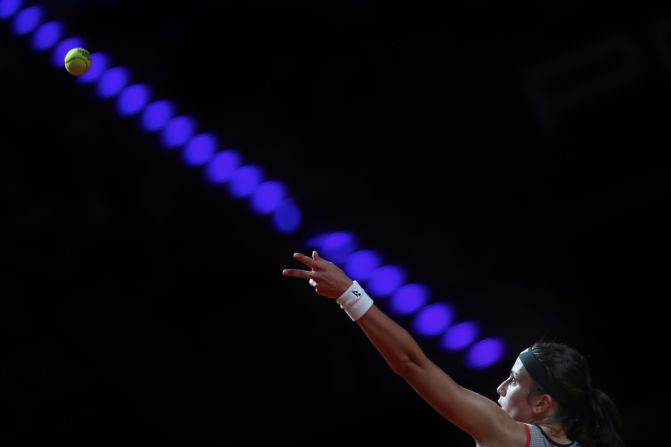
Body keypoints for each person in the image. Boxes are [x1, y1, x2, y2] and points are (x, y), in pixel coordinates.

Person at [282, 250, 625, 447]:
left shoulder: (508, 436)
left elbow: (411, 364)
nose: (500, 389)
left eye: (514, 380)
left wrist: (348, 294)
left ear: (541, 403)